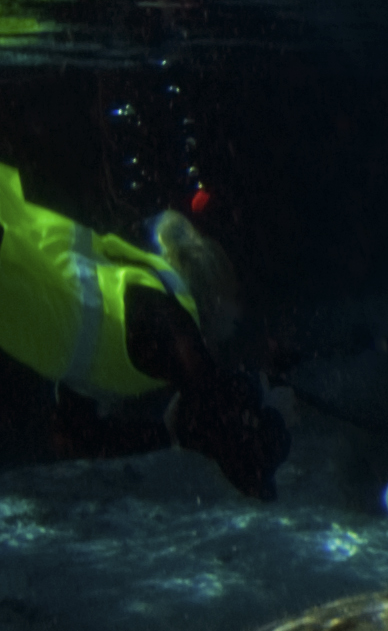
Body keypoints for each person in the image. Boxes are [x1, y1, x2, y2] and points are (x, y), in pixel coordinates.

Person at [0, 165, 285, 497]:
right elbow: (250, 473)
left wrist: (167, 433)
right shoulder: (170, 323)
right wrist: (274, 413)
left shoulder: (133, 302)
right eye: (235, 297)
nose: (238, 317)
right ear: (215, 294)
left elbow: (72, 438)